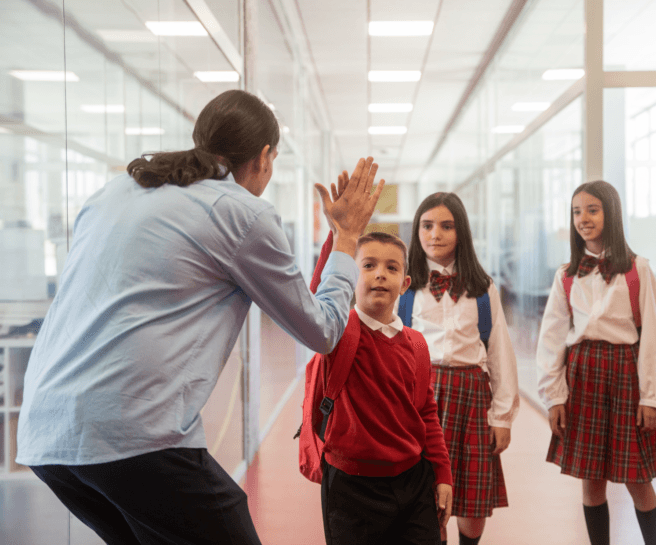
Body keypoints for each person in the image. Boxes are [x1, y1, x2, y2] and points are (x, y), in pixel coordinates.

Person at [16, 89, 384, 545]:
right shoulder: (242, 212)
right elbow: (324, 330)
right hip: (137, 436)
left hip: (46, 434)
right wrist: (346, 238)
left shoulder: (116, 191)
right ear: (265, 158)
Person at [536, 180, 656, 545]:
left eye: (592, 210)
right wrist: (554, 397)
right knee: (591, 479)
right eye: (577, 212)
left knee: (638, 479)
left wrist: (650, 397)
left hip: (625, 373)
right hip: (583, 375)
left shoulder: (637, 269)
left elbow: (654, 338)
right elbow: (551, 338)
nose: (583, 219)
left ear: (611, 213)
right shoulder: (565, 275)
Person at [315, 229, 453, 545]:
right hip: (352, 488)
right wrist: (340, 234)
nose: (380, 274)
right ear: (350, 276)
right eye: (368, 265)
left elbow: (427, 414)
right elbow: (314, 305)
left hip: (414, 481)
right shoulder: (338, 332)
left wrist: (442, 473)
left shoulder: (417, 344)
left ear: (405, 283)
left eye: (392, 268)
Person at [403, 192, 520, 545]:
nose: (435, 234)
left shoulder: (483, 289)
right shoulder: (406, 287)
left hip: (471, 398)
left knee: (472, 504)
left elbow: (499, 352)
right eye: (427, 225)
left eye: (446, 226)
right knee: (427, 496)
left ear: (461, 233)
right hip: (420, 398)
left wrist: (502, 417)